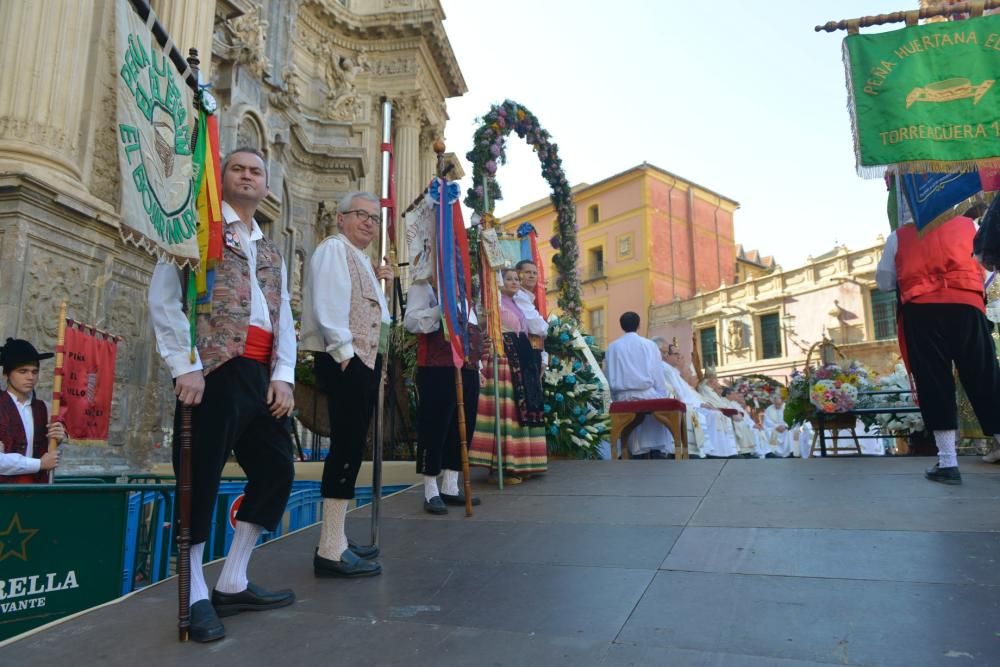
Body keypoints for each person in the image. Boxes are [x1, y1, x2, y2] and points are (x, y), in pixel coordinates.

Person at [149, 148, 297, 642]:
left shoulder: (270, 249)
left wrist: (285, 374)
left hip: (259, 372)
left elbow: (283, 317)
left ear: (266, 185)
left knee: (277, 469)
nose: (248, 176)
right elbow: (166, 298)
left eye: (256, 171)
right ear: (223, 176)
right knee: (200, 478)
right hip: (213, 367)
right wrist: (184, 365)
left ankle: (232, 581)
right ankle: (194, 596)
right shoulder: (198, 229)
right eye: (239, 168)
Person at [301, 191, 391, 575]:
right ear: (341, 218)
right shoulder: (334, 250)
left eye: (374, 217)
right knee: (345, 448)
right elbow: (328, 305)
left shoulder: (362, 260)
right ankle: (329, 550)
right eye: (361, 215)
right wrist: (345, 355)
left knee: (352, 448)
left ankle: (335, 538)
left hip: (364, 361)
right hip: (346, 360)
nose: (369, 222)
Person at [876, 212, 1000, 485]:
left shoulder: (899, 235)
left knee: (934, 381)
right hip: (967, 305)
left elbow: (884, 281)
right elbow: (990, 266)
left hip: (922, 311)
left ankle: (948, 462)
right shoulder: (970, 225)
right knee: (985, 377)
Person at [404, 280, 483, 514]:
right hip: (437, 365)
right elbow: (412, 323)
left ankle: (450, 484)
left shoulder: (463, 285)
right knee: (435, 425)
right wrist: (440, 311)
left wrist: (477, 367)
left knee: (463, 426)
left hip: (466, 366)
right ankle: (430, 489)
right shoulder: (424, 287)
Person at [469, 268, 548, 482]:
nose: (515, 282)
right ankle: (502, 465)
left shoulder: (518, 306)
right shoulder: (494, 303)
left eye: (516, 279)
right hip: (502, 360)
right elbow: (483, 327)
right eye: (509, 279)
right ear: (499, 282)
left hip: (519, 362)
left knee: (515, 412)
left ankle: (521, 462)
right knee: (505, 413)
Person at [653, 337, 738, 458]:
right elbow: (678, 393)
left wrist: (701, 404)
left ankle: (723, 451)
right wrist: (699, 405)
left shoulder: (671, 370)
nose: (678, 357)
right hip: (683, 405)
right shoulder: (664, 368)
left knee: (715, 414)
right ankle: (710, 452)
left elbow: (684, 392)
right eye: (675, 354)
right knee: (708, 415)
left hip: (687, 403)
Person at [604, 312, 671, 458]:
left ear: (621, 326)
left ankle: (631, 451)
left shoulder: (612, 347)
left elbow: (608, 375)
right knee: (653, 418)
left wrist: (615, 398)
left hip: (622, 397)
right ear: (639, 324)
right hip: (646, 393)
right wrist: (661, 395)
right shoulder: (649, 345)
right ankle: (655, 452)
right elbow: (656, 372)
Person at [0, 338, 64, 482]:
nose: (30, 377)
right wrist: (39, 464)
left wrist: (57, 442)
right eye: (23, 371)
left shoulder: (44, 409)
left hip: (37, 491)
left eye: (34, 372)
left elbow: (52, 459)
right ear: (6, 374)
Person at [762, 394, 794, 458]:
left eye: (779, 404)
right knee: (769, 432)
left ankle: (790, 452)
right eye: (776, 404)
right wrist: (776, 426)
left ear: (782, 402)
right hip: (774, 428)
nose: (777, 406)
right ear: (773, 402)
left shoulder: (787, 407)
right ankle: (773, 452)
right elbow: (767, 421)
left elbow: (791, 419)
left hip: (785, 428)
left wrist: (785, 426)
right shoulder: (769, 409)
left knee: (790, 432)